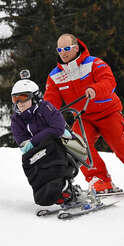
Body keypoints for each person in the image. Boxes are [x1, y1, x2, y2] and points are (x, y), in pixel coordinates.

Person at [43, 33, 124, 198]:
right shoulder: (55, 76)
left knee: (122, 148)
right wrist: (46, 116)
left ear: (76, 48)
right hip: (84, 117)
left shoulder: (94, 63)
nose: (63, 52)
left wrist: (95, 89)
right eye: (60, 49)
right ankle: (100, 180)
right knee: (76, 145)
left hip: (108, 113)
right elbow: (50, 101)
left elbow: (109, 82)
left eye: (67, 48)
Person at [10, 78, 77, 206]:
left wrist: (34, 140)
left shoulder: (45, 107)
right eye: (15, 99)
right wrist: (31, 143)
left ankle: (63, 186)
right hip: (41, 149)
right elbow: (22, 141)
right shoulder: (17, 118)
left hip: (61, 144)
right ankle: (47, 193)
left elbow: (58, 128)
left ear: (34, 97)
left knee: (51, 147)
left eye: (23, 98)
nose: (19, 103)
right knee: (29, 160)